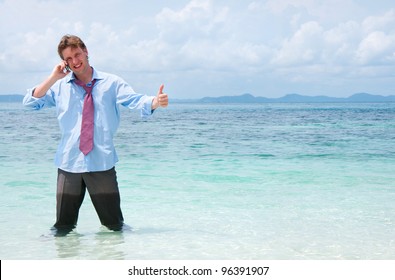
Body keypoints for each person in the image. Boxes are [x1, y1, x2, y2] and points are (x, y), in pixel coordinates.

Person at [23, 34, 168, 235]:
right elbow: (30, 103)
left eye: (77, 54)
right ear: (64, 62)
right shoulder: (59, 87)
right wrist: (54, 77)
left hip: (101, 162)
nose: (75, 61)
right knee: (62, 229)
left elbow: (134, 100)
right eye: (68, 59)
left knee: (114, 226)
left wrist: (155, 102)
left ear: (86, 52)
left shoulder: (112, 83)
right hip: (69, 163)